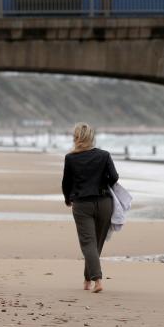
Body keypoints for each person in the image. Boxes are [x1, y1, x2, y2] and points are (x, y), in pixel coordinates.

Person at [62, 123, 119, 293]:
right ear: (91, 137)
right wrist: (103, 183)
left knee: (88, 243)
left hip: (82, 204)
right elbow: (114, 177)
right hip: (104, 203)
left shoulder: (70, 158)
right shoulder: (104, 155)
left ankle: (97, 280)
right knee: (96, 244)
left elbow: (66, 182)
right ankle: (88, 280)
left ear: (76, 137)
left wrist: (67, 198)